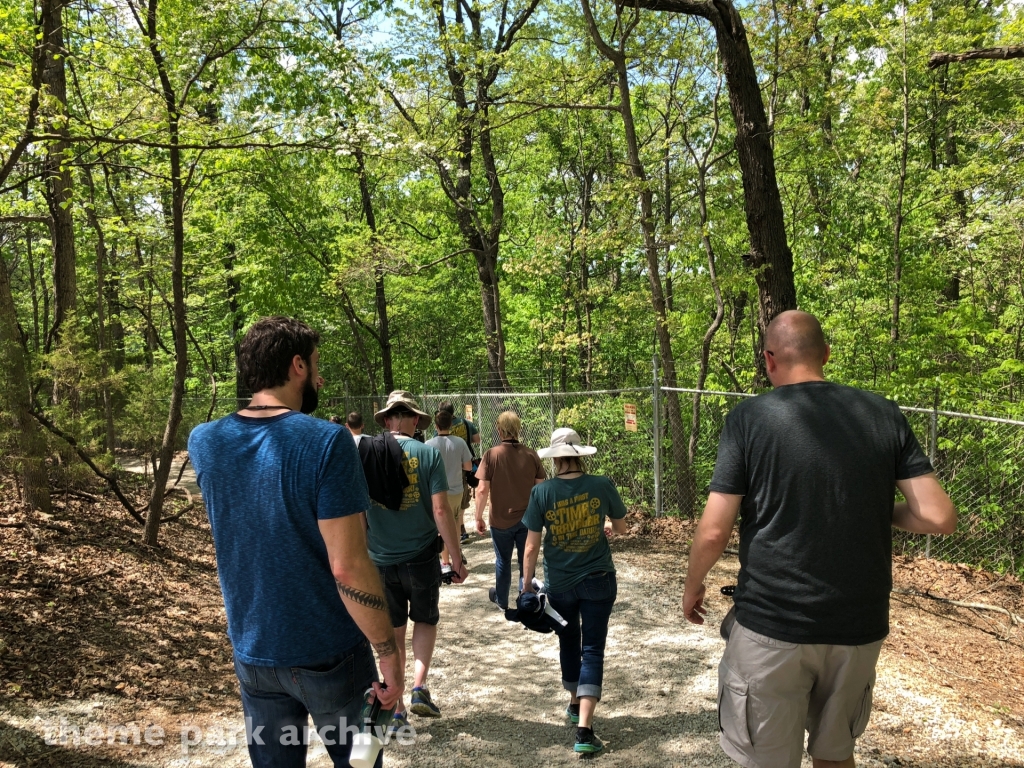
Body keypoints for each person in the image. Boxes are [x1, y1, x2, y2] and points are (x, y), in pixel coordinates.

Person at [684, 310, 956, 768]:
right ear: (826, 354)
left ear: (769, 359)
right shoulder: (881, 413)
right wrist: (868, 510)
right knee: (836, 755)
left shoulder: (749, 419)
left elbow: (714, 529)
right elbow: (938, 516)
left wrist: (693, 585)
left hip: (773, 626)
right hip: (858, 628)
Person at [188, 316, 403, 768]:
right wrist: (388, 651)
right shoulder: (327, 441)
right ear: (298, 365)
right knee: (360, 763)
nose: (321, 378)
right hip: (331, 654)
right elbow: (349, 565)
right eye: (317, 365)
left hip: (254, 652)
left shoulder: (205, 440)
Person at [365, 390, 469, 731]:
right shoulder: (427, 454)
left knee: (393, 635)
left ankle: (395, 711)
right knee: (424, 620)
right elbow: (441, 510)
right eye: (414, 418)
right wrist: (456, 559)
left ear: (386, 420)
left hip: (380, 559)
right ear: (410, 419)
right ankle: (419, 688)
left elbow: (357, 513)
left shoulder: (364, 455)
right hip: (421, 556)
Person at [522, 428, 628, 756]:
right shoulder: (601, 485)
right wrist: (605, 526)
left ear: (555, 459)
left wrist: (526, 586)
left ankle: (574, 703)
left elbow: (530, 547)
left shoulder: (543, 493)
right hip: (598, 578)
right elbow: (621, 526)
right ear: (580, 454)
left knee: (569, 641)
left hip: (560, 585)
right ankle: (584, 728)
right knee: (593, 649)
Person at [474, 411, 546, 609]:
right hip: (527, 519)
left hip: (500, 520)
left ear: (499, 430)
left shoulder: (491, 455)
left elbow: (481, 490)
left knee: (503, 561)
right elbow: (540, 488)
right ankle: (525, 598)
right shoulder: (531, 454)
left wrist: (478, 516)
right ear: (518, 429)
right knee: (526, 560)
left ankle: (502, 601)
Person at [426, 410, 473, 575]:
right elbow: (468, 467)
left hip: (437, 491)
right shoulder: (460, 442)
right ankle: (456, 560)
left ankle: (444, 562)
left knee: (441, 526)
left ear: (436, 425)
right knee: (455, 525)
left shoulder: (428, 445)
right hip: (457, 490)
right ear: (451, 425)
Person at [437, 401, 480, 541]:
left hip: (443, 468)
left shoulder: (437, 429)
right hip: (462, 466)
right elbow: (477, 439)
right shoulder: (465, 423)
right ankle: (461, 529)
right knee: (460, 499)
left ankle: (446, 533)